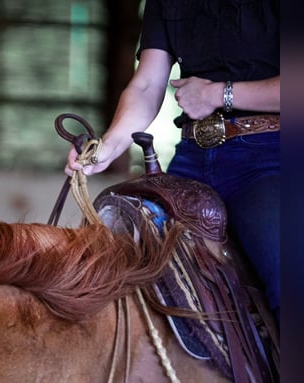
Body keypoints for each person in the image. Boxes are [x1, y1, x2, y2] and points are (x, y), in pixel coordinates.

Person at [65, 0, 280, 323]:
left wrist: (219, 95)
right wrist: (107, 146)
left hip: (273, 159)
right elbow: (147, 85)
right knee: (112, 257)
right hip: (192, 161)